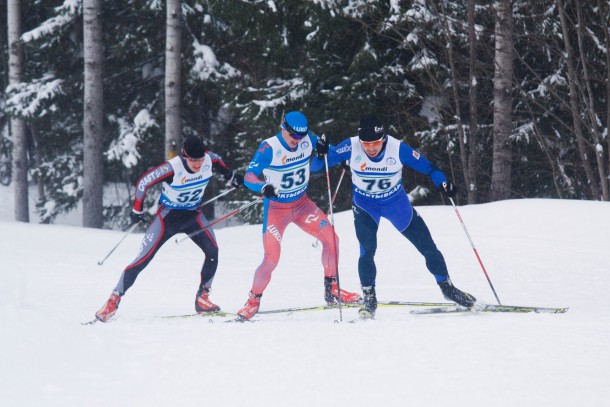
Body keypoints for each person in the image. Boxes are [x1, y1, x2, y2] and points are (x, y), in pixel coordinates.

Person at [311, 115, 477, 317]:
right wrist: (320, 155)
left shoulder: (398, 149)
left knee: (427, 246)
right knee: (367, 251)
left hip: (396, 205)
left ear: (384, 139)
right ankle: (369, 297)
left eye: (376, 143)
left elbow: (429, 168)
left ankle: (447, 288)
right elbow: (317, 168)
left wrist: (442, 183)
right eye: (366, 144)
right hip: (365, 206)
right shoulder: (350, 146)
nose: (371, 148)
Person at [94, 136, 244, 322]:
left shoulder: (210, 159)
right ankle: (113, 299)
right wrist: (137, 209)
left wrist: (231, 177)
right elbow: (143, 182)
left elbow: (222, 166)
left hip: (193, 215)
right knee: (143, 259)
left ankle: (202, 299)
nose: (197, 164)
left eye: (200, 159)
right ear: (184, 157)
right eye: (193, 160)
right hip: (168, 217)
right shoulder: (172, 168)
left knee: (212, 251)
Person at [236, 111, 361, 320]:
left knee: (331, 238)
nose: (297, 141)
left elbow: (329, 153)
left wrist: (327, 153)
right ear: (283, 128)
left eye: (301, 136)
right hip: (276, 209)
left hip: (302, 205)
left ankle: (332, 291)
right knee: (271, 259)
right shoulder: (269, 148)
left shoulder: (306, 138)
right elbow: (249, 176)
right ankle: (252, 301)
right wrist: (262, 186)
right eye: (293, 135)